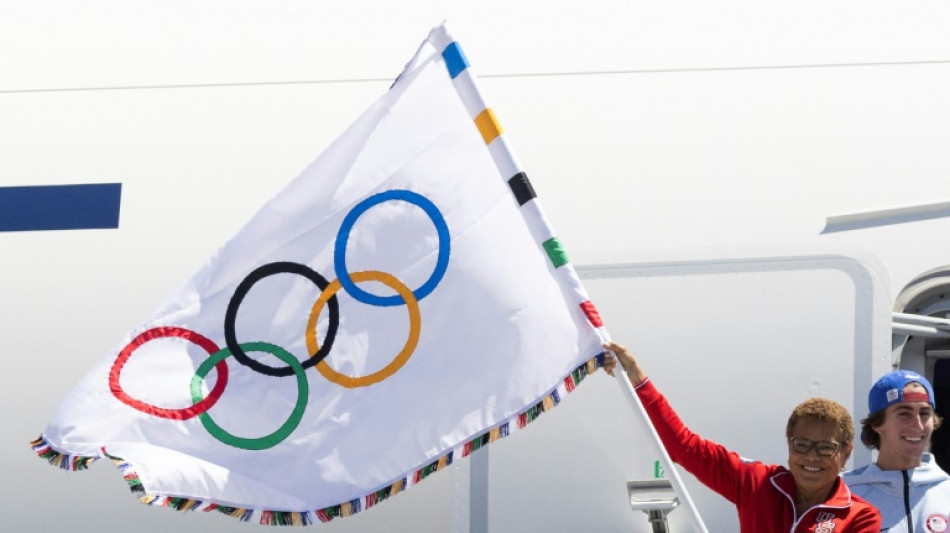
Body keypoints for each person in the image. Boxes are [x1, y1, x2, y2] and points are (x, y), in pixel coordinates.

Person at [603, 341, 881, 532]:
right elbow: (682, 446)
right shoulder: (755, 482)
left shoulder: (860, 516)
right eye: (802, 444)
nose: (810, 456)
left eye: (824, 448)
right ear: (789, 444)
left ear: (845, 452)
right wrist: (638, 380)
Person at [843, 369, 950, 532]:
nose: (918, 425)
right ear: (878, 424)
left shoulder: (946, 492)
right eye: (904, 414)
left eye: (924, 413)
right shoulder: (844, 495)